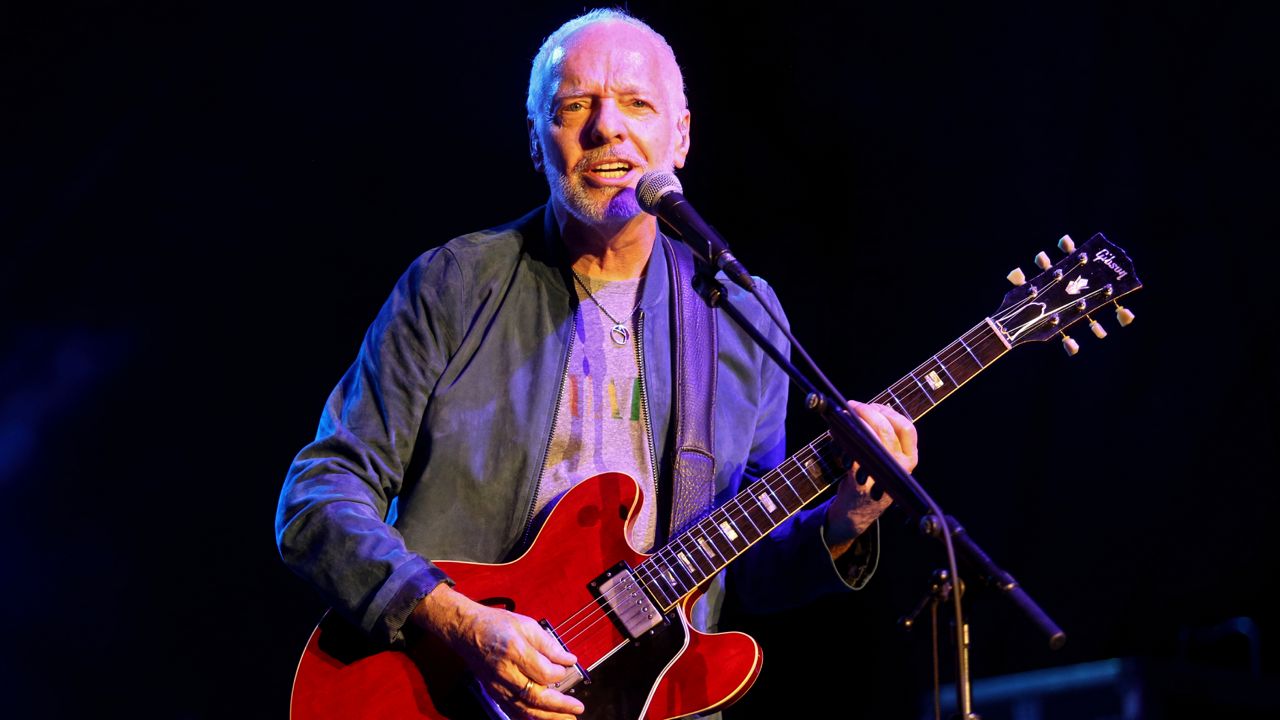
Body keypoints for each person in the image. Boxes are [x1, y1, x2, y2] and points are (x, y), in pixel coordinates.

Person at [276, 9, 918, 720]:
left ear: (680, 135)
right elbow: (319, 494)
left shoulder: (741, 313)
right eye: (575, 104)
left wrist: (846, 519)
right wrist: (460, 624)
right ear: (536, 139)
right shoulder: (453, 284)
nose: (606, 127)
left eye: (637, 104)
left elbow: (748, 568)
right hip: (445, 692)